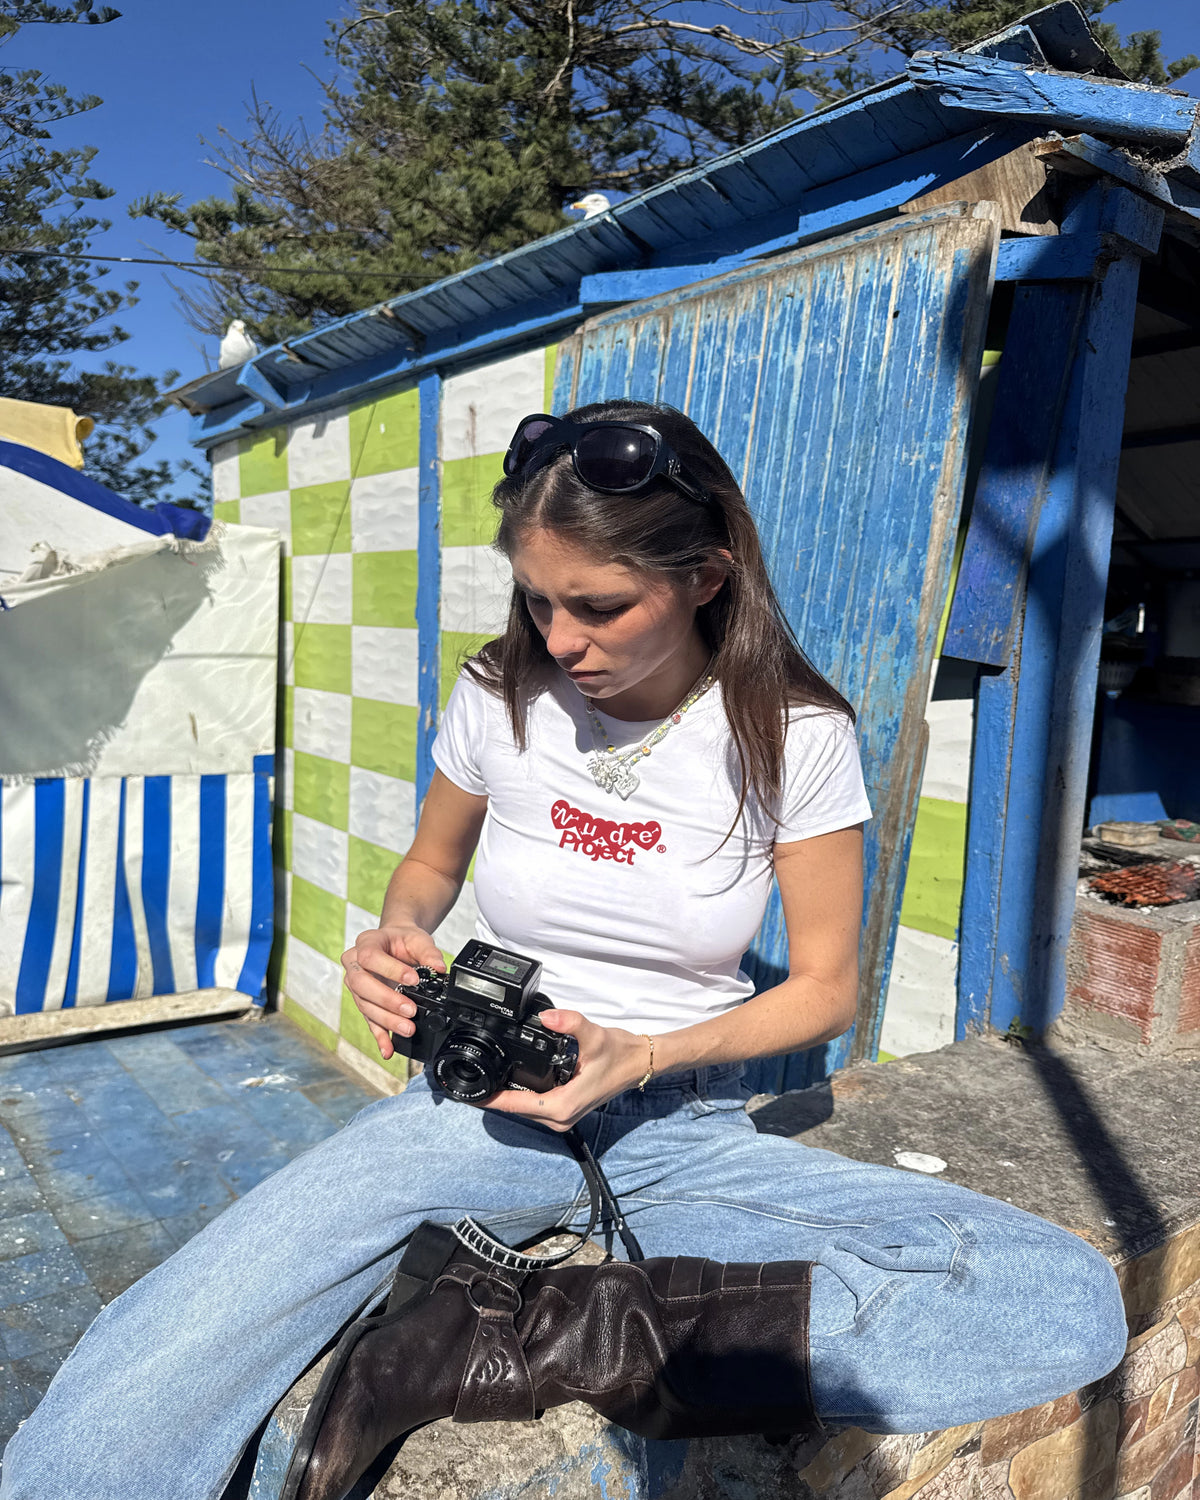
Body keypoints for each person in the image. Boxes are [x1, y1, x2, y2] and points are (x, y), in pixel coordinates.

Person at [0, 401, 1127, 1500]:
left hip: (680, 1126)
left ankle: (529, 1334)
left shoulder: (795, 733)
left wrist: (641, 1057)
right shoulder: (501, 694)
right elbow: (430, 871)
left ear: (708, 574)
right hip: (477, 1111)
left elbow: (828, 990)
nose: (561, 641)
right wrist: (397, 935)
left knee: (1054, 1299)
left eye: (598, 605)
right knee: (165, 1344)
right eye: (539, 602)